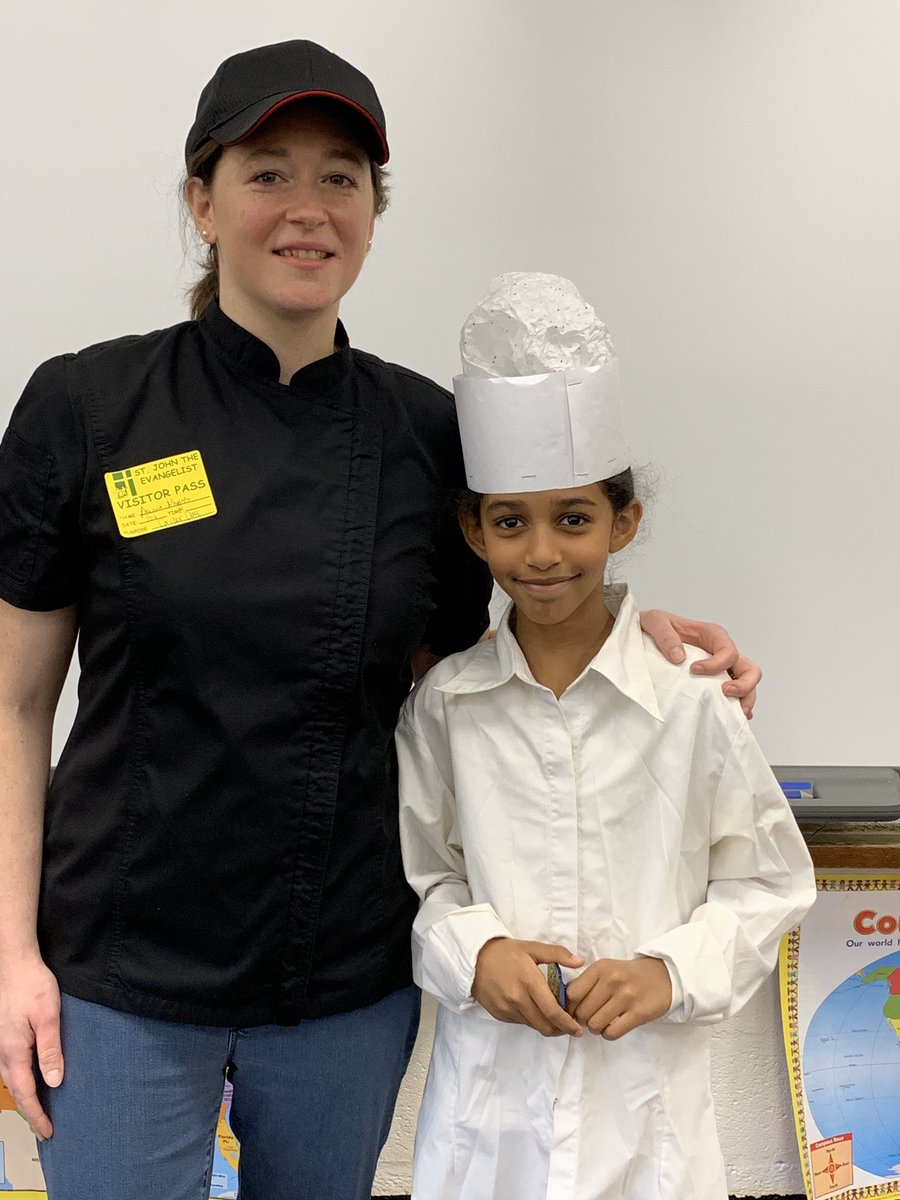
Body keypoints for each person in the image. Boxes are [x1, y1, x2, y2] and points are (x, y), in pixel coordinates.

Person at [0, 45, 758, 1200]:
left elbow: (492, 660)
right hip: (118, 968)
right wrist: (11, 951)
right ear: (202, 202)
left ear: (372, 212)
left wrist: (638, 638)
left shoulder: (427, 433)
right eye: (268, 172)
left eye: (341, 177)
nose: (307, 207)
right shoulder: (90, 407)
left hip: (342, 976)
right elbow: (15, 705)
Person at [397, 274, 815, 1200]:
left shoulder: (690, 700)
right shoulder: (448, 705)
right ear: (474, 531)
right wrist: (477, 954)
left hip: (646, 1114)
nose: (543, 552)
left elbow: (768, 880)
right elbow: (426, 876)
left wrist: (671, 972)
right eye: (511, 522)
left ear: (624, 523)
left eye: (575, 519)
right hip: (490, 1115)